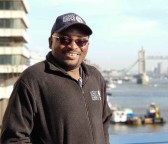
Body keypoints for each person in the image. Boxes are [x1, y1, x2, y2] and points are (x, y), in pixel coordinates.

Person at [0, 12, 112, 144]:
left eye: (81, 41)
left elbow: (104, 123)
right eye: (65, 39)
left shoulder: (95, 77)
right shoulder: (32, 79)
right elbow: (13, 138)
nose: (73, 46)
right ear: (50, 42)